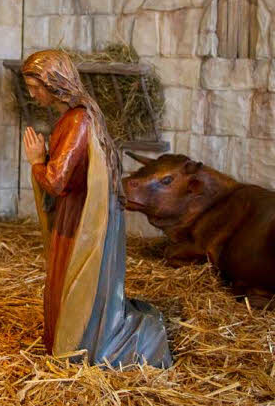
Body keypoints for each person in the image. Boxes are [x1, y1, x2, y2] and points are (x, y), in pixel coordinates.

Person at [20, 50, 171, 368]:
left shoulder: (77, 121)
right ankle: (73, 339)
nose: (32, 94)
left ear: (55, 83)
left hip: (84, 220)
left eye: (36, 86)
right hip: (80, 211)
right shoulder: (76, 115)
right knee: (69, 285)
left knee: (76, 284)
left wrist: (36, 160)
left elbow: (56, 182)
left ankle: (82, 344)